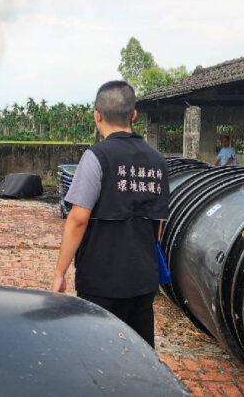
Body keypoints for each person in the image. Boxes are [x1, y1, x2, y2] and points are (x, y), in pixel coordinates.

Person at [51, 80, 169, 348]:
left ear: (97, 115)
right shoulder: (158, 161)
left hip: (100, 280)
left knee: (99, 352)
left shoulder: (96, 157)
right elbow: (157, 225)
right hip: (143, 279)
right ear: (134, 115)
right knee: (138, 351)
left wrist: (60, 271)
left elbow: (78, 219)